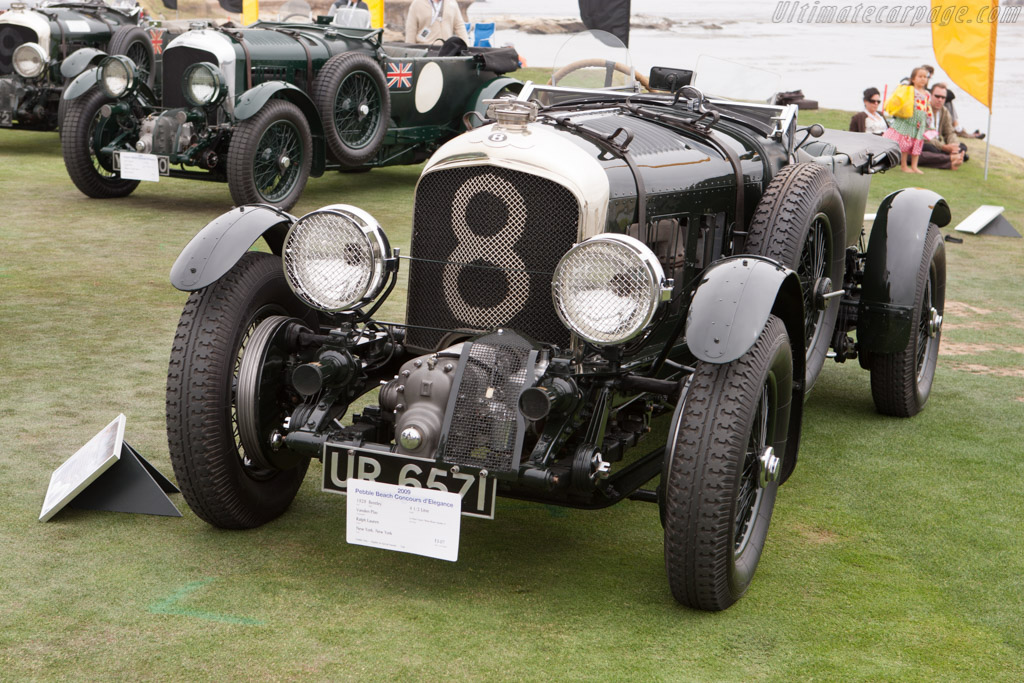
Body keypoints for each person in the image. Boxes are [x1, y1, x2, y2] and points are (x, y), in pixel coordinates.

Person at [883, 66, 930, 174]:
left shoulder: (927, 94)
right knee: (905, 144)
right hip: (908, 121)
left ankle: (914, 166)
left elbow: (927, 108)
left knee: (917, 144)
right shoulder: (910, 90)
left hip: (919, 123)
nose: (923, 79)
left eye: (925, 77)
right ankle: (903, 165)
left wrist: (928, 120)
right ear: (913, 79)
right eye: (920, 76)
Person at [919, 82, 966, 170]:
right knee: (930, 149)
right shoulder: (923, 110)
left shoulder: (944, 111)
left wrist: (954, 147)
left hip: (938, 144)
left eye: (943, 97)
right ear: (930, 95)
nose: (940, 100)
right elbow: (924, 135)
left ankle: (952, 156)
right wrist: (943, 147)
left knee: (962, 147)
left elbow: (950, 132)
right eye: (937, 96)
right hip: (927, 143)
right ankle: (950, 160)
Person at [405, 0, 470, 45]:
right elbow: (411, 29)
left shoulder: (452, 2)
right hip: (424, 49)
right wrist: (409, 51)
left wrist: (467, 47)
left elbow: (459, 26)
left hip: (446, 50)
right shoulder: (417, 4)